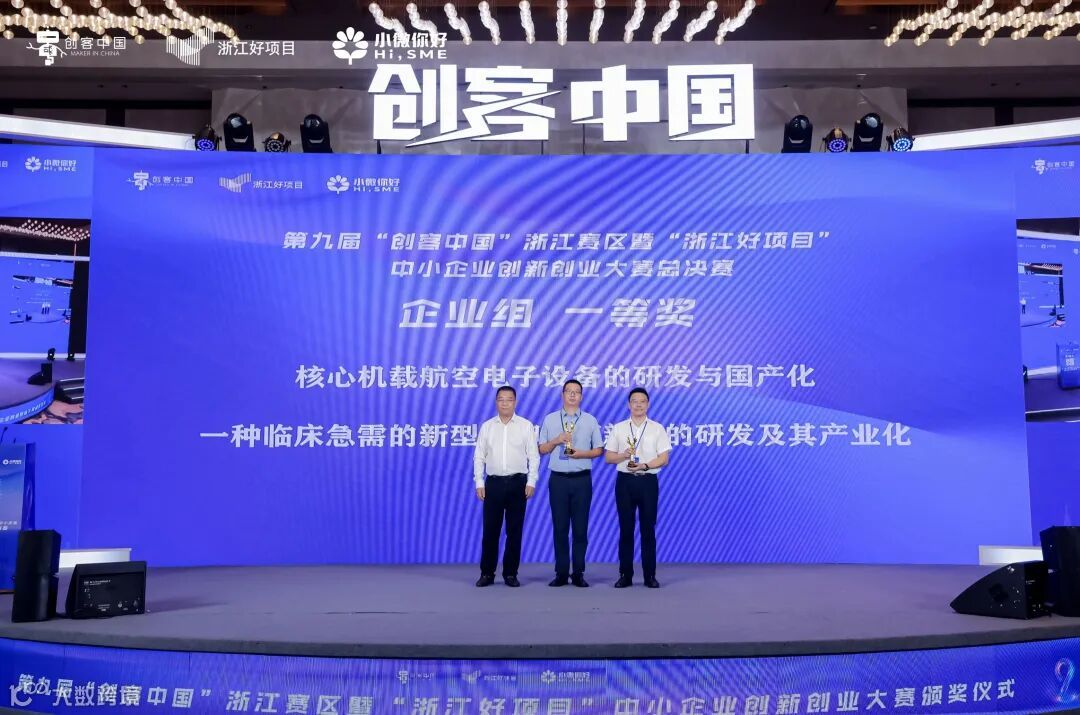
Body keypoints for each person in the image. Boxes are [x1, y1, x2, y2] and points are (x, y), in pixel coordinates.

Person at [538, 379, 603, 587]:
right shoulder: (550, 419)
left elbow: (599, 450)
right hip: (558, 480)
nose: (573, 395)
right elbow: (541, 449)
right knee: (560, 528)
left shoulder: (590, 420)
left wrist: (580, 454)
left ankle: (578, 573)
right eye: (569, 391)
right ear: (562, 395)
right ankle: (561, 572)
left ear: (581, 396)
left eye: (577, 392)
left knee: (580, 529)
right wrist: (556, 440)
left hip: (582, 479)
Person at [604, 387, 671, 588]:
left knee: (648, 529)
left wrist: (644, 465)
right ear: (628, 405)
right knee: (626, 529)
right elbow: (609, 457)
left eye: (642, 401)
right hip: (625, 482)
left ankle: (650, 575)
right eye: (634, 401)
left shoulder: (657, 428)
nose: (638, 405)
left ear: (647, 405)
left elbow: (664, 458)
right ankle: (625, 575)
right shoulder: (619, 428)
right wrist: (624, 455)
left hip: (648, 481)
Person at [473, 385, 539, 587]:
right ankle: (487, 573)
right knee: (490, 531)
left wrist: (531, 481)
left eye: (509, 399)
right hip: (493, 484)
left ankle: (510, 573)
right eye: (501, 399)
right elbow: (479, 456)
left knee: (514, 531)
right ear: (496, 402)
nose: (504, 403)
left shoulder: (525, 426)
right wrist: (479, 481)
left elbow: (533, 456)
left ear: (515, 402)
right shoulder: (487, 427)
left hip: (518, 483)